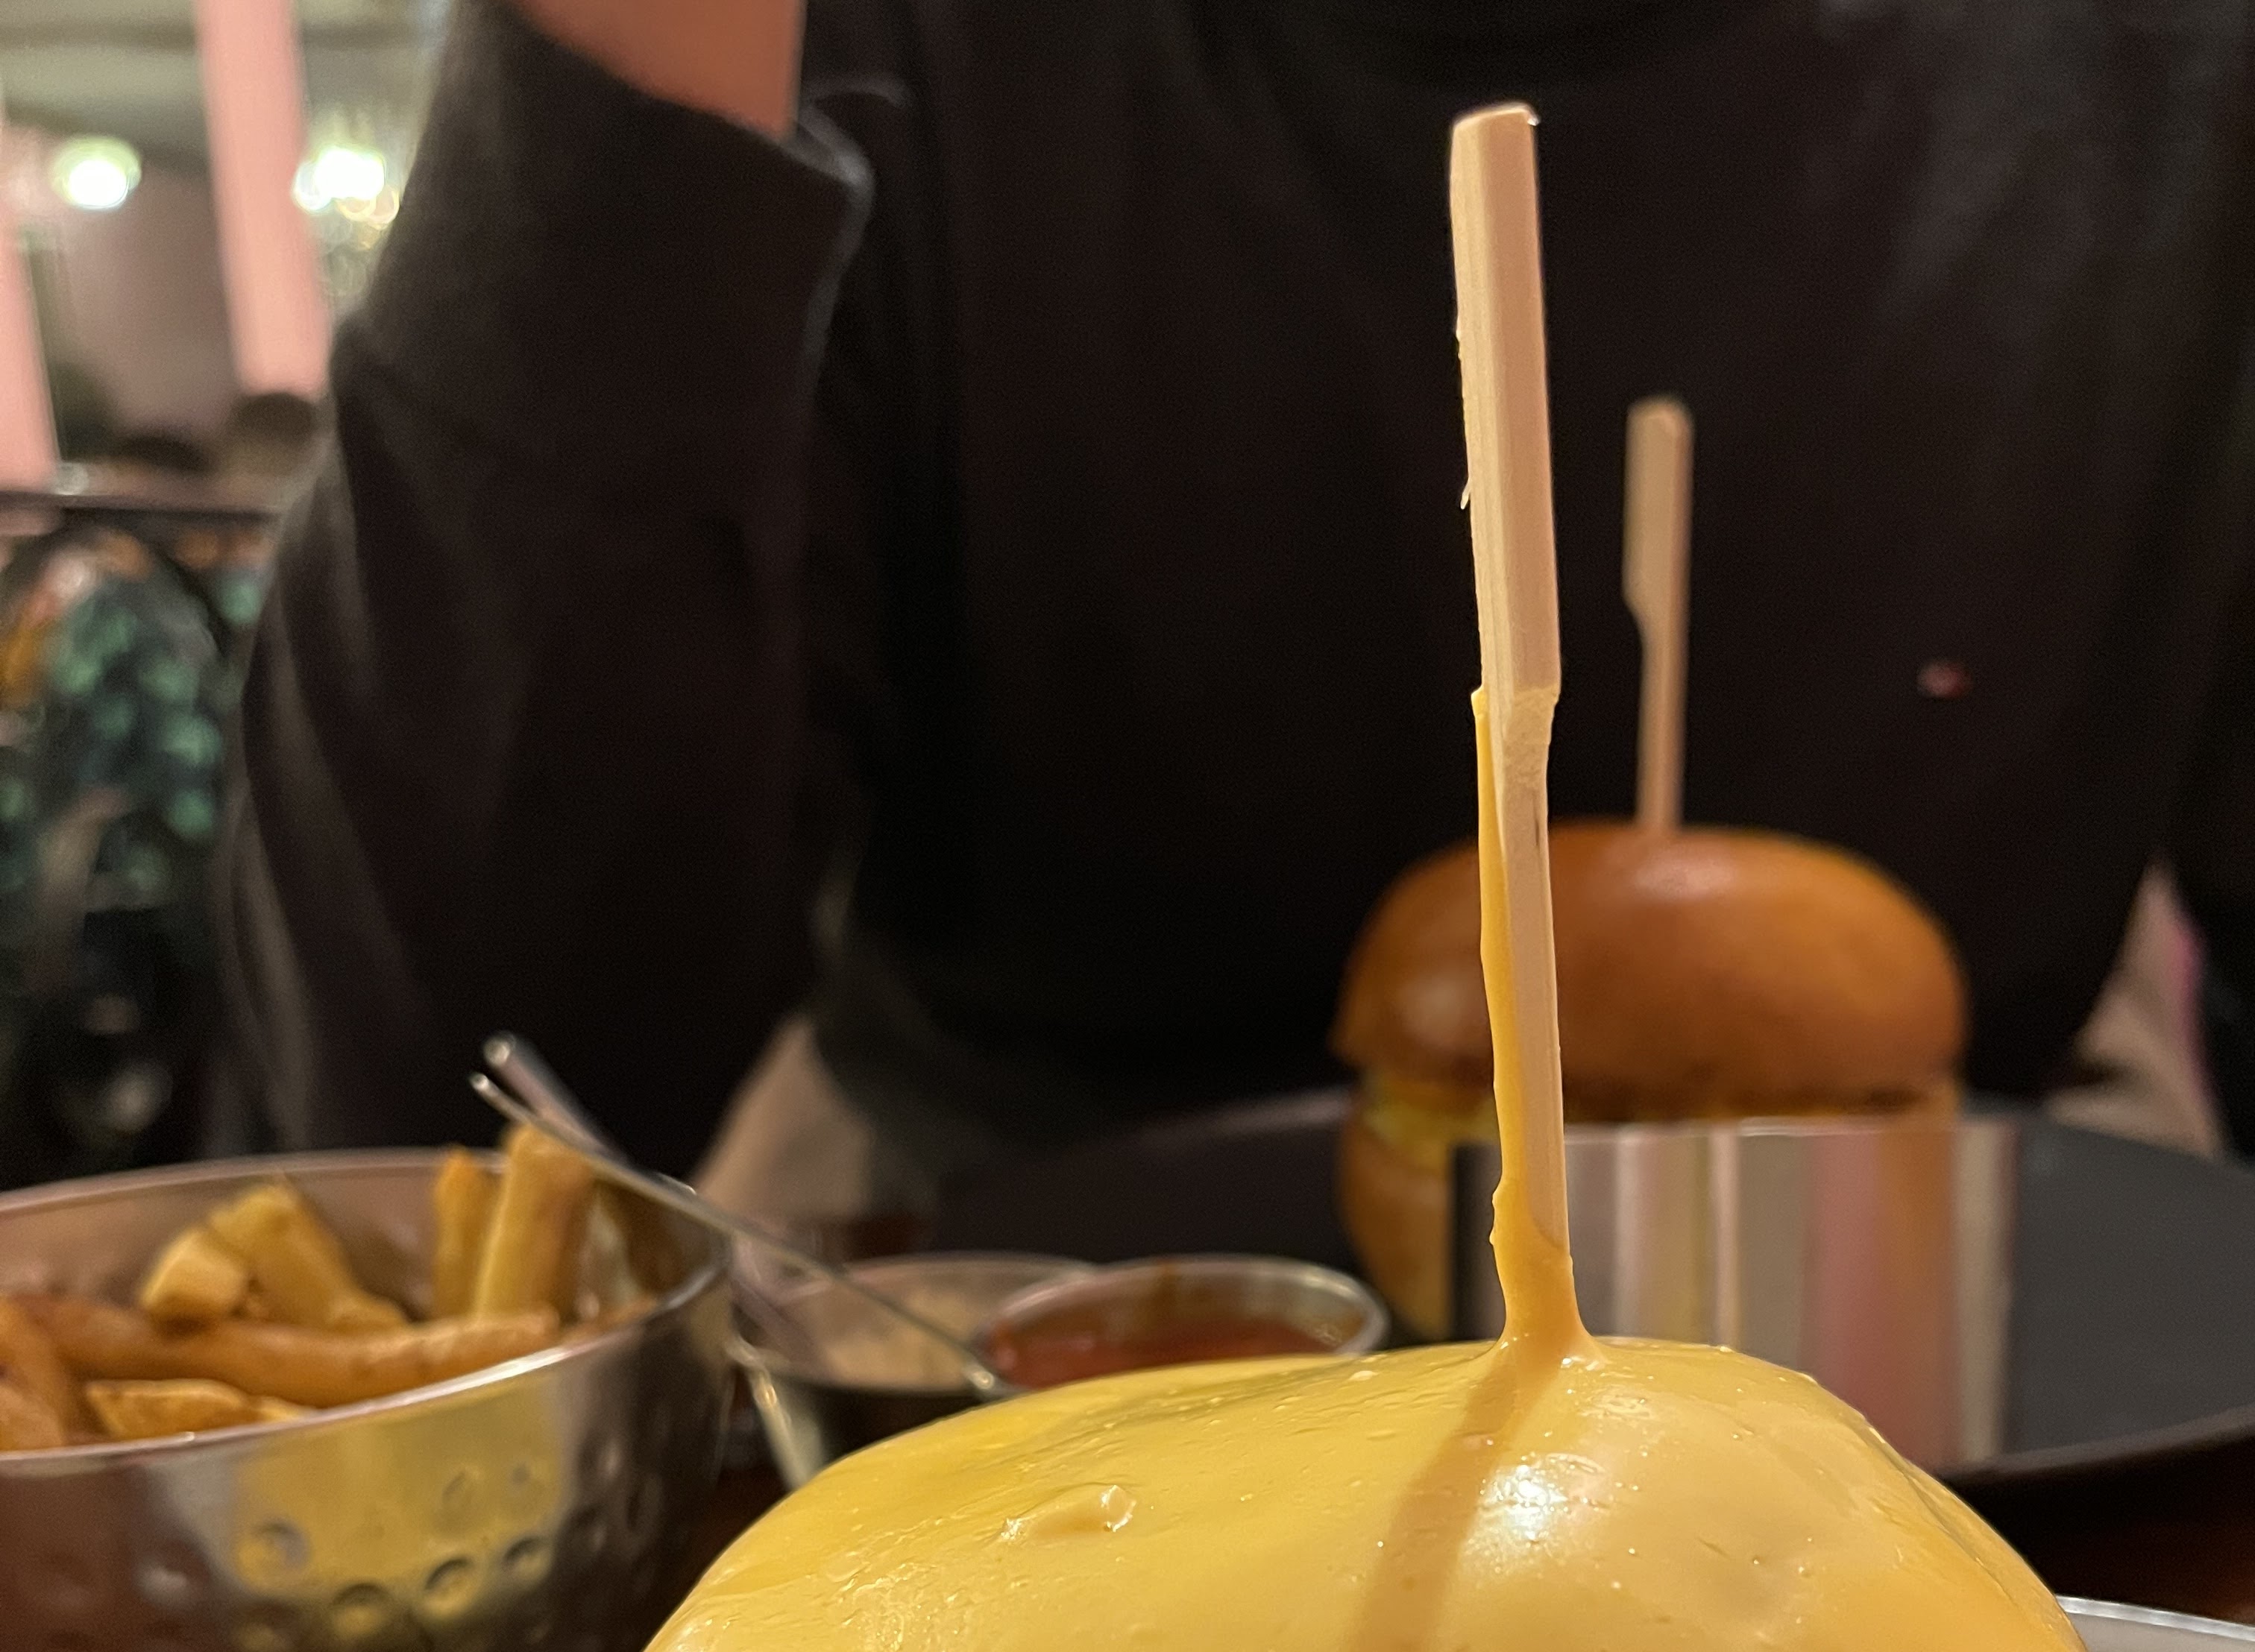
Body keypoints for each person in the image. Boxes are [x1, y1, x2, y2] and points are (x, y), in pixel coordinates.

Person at [220, 0, 2255, 1224]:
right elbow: (436, 1134)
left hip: (1983, 1340)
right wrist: (631, 99)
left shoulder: (2170, 95)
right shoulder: (870, 51)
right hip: (996, 1333)